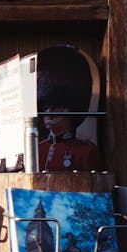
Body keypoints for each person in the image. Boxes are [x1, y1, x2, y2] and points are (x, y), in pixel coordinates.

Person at [37, 44, 102, 172]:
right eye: (46, 106)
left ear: (72, 108)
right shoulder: (38, 150)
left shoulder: (86, 152)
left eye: (57, 106)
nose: (49, 112)